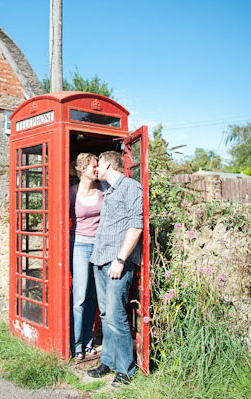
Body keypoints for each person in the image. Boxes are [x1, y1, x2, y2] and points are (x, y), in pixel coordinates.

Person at [87, 151, 143, 387]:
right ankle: (107, 362)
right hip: (99, 259)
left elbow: (136, 225)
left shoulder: (130, 186)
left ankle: (126, 369)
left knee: (117, 317)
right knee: (105, 315)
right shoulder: (108, 191)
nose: (96, 168)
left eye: (98, 164)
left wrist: (120, 260)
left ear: (108, 163)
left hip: (116, 262)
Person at [69, 153, 104, 360]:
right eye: (94, 166)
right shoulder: (71, 192)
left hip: (99, 246)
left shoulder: (103, 190)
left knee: (93, 297)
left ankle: (88, 340)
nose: (97, 169)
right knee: (80, 296)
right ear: (83, 168)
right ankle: (77, 342)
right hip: (79, 245)